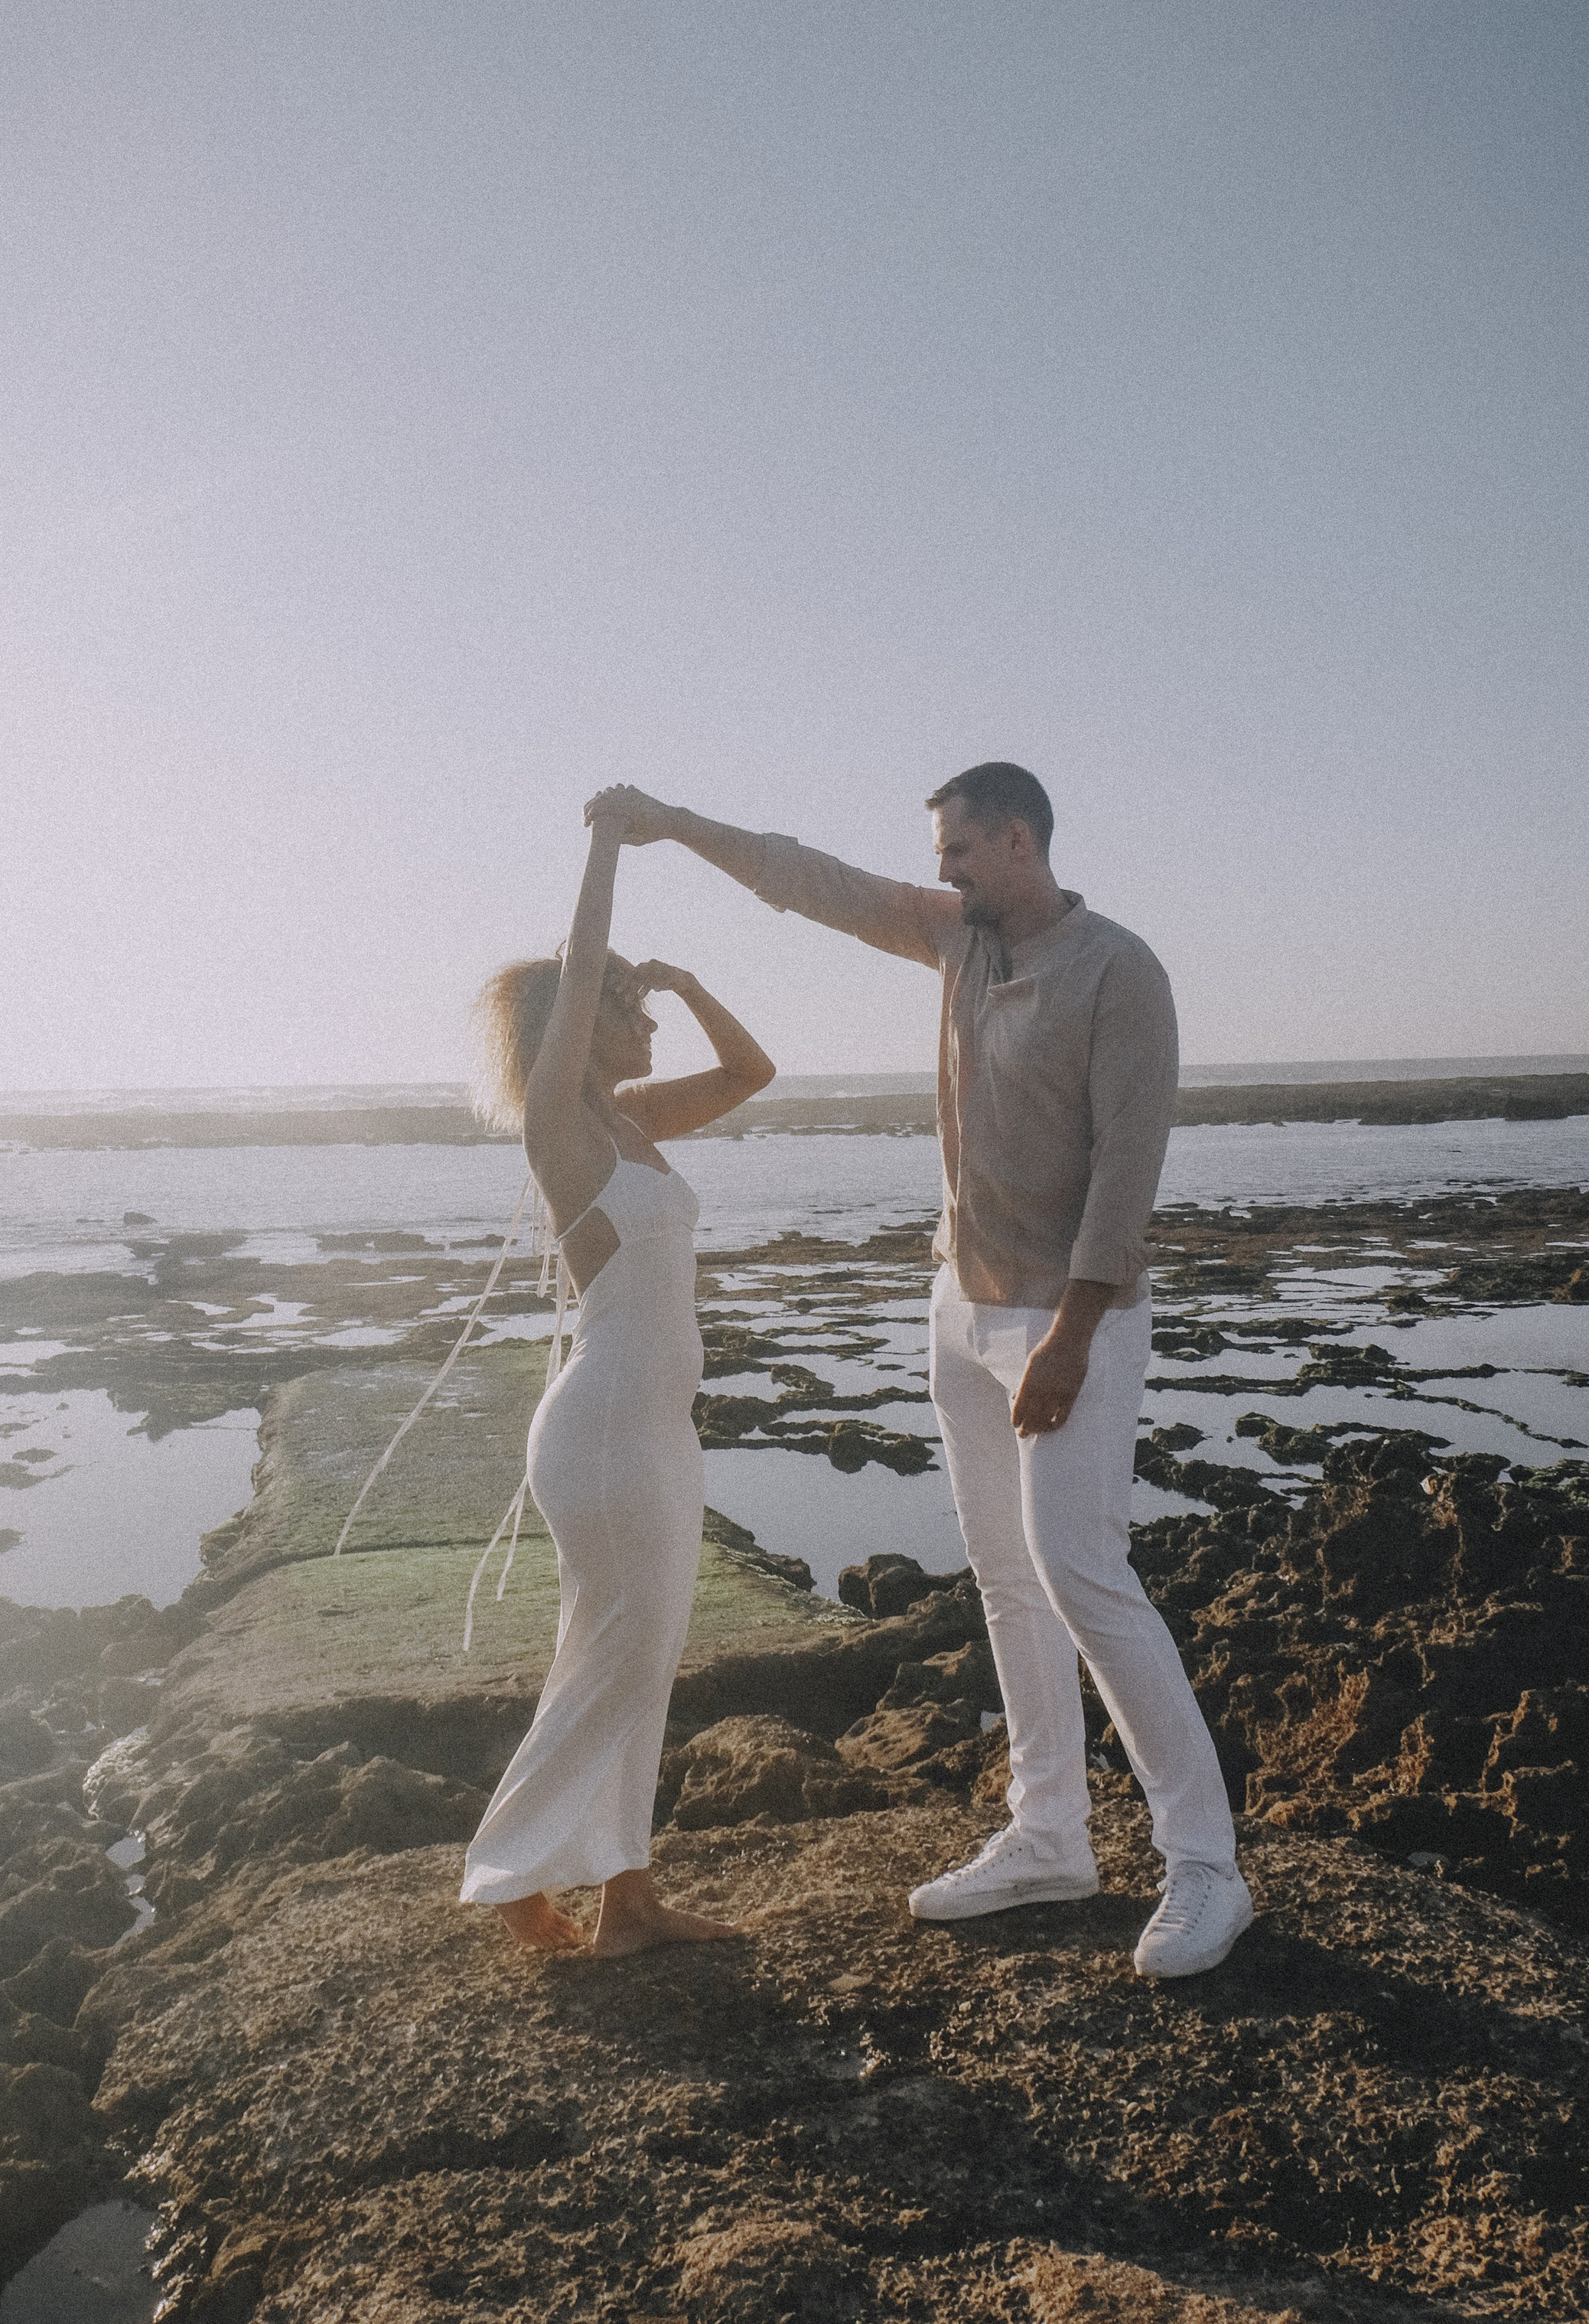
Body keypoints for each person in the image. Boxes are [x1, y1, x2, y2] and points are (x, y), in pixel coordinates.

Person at [585, 766, 1252, 1980]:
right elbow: (810, 881)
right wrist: (675, 827)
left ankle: (1205, 1863)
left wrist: (1070, 1336)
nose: (940, 870)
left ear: (1017, 841)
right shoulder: (960, 942)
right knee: (1006, 1579)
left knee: (1083, 1573)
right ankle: (1049, 1836)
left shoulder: (1120, 970)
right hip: (961, 1306)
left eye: (956, 849)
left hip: (1068, 1319)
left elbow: (1128, 1171)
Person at [458, 797, 776, 1957]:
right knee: (621, 1653)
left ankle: (627, 1899)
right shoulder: (562, 1127)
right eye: (631, 1013)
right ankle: (511, 1874)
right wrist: (607, 843)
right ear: (581, 1025)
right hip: (601, 1432)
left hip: (657, 1429)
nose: (647, 1027)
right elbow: (584, 956)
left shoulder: (634, 1121)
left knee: (643, 1653)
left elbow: (752, 1068)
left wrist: (684, 985)